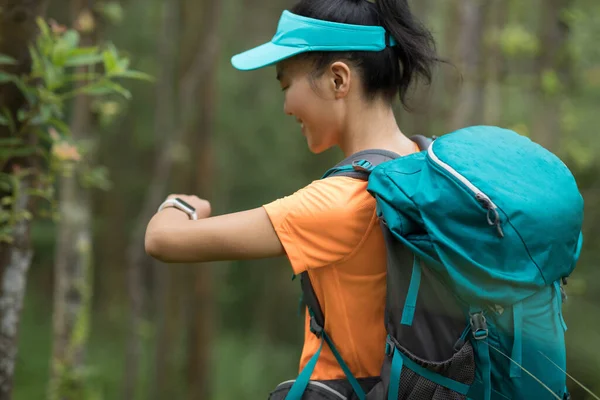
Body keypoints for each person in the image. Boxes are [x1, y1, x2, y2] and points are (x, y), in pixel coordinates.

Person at [145, 0, 440, 397]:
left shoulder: (340, 202)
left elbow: (162, 241)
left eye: (287, 85)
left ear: (339, 80)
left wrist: (179, 206)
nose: (286, 107)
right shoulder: (430, 167)